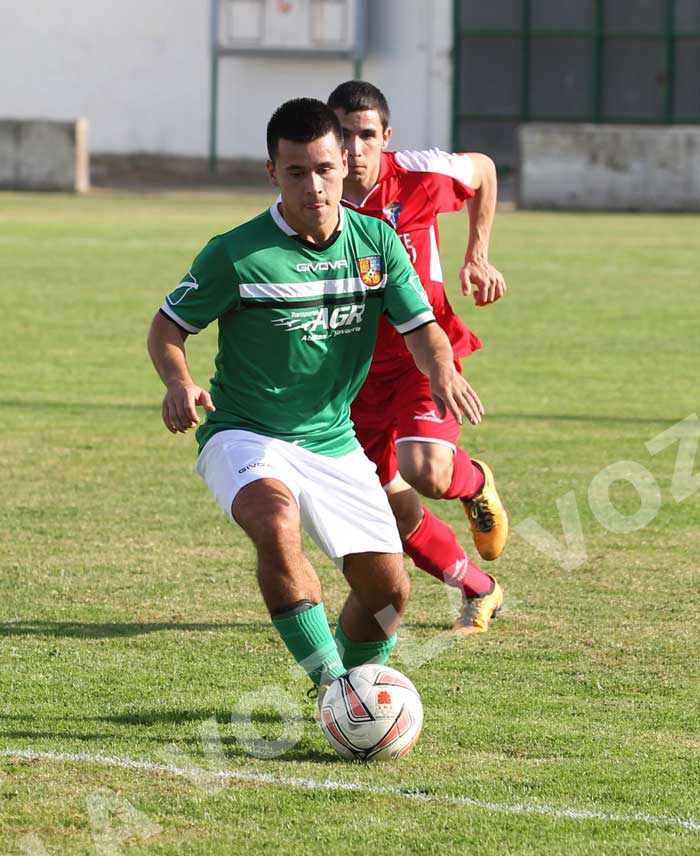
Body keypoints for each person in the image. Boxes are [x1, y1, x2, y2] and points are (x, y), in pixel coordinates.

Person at [146, 98, 484, 699]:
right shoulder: (237, 253)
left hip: (332, 438)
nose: (315, 186)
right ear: (272, 173)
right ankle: (334, 689)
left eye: (325, 169)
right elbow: (167, 327)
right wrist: (178, 381)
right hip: (245, 431)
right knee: (276, 521)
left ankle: (356, 694)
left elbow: (423, 327)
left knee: (388, 593)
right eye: (297, 172)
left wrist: (440, 370)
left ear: (344, 165)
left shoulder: (376, 244)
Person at [327, 80, 508, 634]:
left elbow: (484, 170)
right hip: (356, 375)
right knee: (389, 506)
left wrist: (478, 254)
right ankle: (480, 589)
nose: (353, 148)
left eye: (365, 135)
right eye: (343, 135)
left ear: (386, 136)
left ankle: (473, 483)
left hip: (426, 356)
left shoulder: (419, 173)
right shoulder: (314, 201)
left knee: (424, 468)